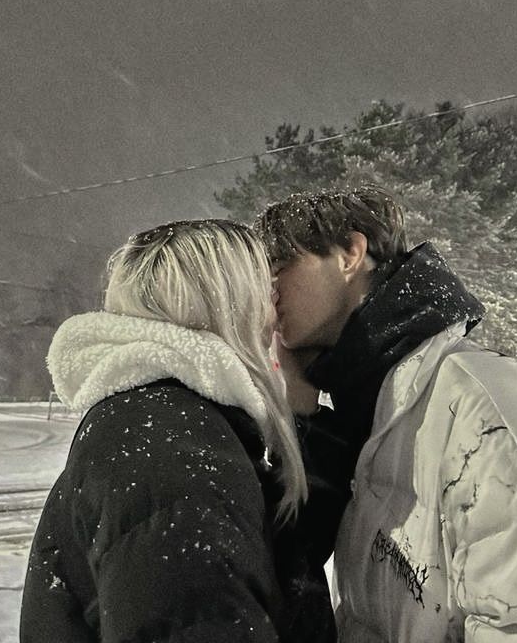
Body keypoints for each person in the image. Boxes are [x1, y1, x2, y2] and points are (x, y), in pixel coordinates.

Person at [256, 186, 517, 643]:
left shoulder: (482, 404)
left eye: (279, 270)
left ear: (350, 254)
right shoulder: (378, 416)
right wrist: (299, 405)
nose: (266, 294)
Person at [20, 219, 336, 643]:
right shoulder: (172, 446)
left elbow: (255, 574)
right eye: (264, 287)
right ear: (228, 303)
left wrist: (299, 407)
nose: (275, 310)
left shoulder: (154, 419)